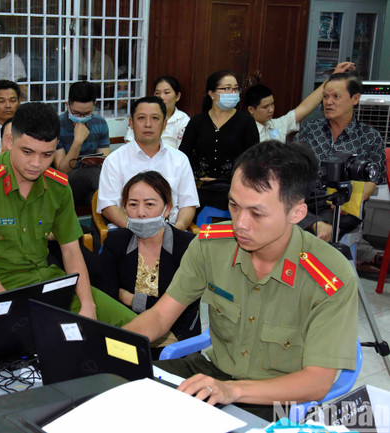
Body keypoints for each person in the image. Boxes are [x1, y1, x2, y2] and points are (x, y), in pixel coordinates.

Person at [124, 141, 358, 421]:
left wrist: (231, 391)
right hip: (211, 374)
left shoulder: (330, 277)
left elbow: (317, 381)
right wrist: (107, 345)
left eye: (256, 213)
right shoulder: (211, 245)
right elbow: (161, 315)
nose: (240, 224)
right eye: (234, 206)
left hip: (275, 397)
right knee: (123, 398)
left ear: (297, 212)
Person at [0, 102, 136, 327]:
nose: (36, 164)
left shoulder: (58, 186)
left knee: (135, 328)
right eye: (27, 152)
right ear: (10, 141)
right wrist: (14, 308)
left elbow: (71, 251)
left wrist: (87, 305)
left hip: (50, 285)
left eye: (46, 155)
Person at [98, 171, 199, 350]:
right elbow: (108, 297)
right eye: (133, 204)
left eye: (150, 204)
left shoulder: (187, 246)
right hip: (126, 330)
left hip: (174, 337)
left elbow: (184, 307)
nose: (141, 213)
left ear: (167, 208)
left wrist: (130, 299)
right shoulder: (115, 242)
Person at [295, 72, 387, 241]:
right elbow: (291, 167)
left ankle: (316, 228)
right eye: (325, 97)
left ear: (355, 98)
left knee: (333, 223)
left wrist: (348, 199)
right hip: (306, 198)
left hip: (343, 202)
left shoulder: (369, 136)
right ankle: (314, 225)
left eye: (336, 96)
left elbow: (372, 181)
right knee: (279, 209)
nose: (328, 102)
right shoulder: (310, 130)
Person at [98, 96, 199, 231]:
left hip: (170, 230)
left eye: (155, 118)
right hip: (127, 230)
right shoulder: (114, 160)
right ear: (131, 123)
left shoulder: (179, 160)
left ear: (164, 124)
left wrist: (175, 233)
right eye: (141, 118)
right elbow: (108, 206)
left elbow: (189, 204)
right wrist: (136, 230)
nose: (148, 124)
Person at [180, 70, 260, 210]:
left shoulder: (246, 122)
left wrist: (225, 180)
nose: (233, 93)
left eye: (236, 89)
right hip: (199, 186)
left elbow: (252, 160)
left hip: (233, 186)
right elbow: (183, 156)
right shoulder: (197, 121)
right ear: (212, 93)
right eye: (227, 88)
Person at [245, 62, 355, 142]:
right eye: (265, 107)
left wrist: (332, 77)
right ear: (251, 110)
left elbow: (305, 107)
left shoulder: (276, 125)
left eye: (272, 104)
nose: (271, 110)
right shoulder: (245, 133)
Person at [54, 81, 111, 208]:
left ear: (94, 105)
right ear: (67, 105)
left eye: (86, 114)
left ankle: (111, 227)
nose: (81, 117)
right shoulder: (57, 125)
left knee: (98, 202)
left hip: (91, 185)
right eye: (76, 113)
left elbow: (105, 160)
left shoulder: (100, 123)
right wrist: (77, 142)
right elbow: (62, 169)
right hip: (64, 185)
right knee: (93, 173)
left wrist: (98, 161)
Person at [153, 76, 190, 148]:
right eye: (157, 93)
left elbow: (182, 150)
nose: (161, 97)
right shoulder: (144, 114)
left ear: (177, 96)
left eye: (166, 93)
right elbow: (130, 140)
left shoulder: (183, 120)